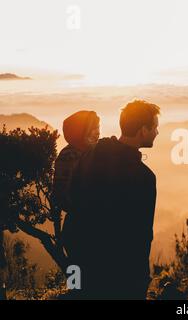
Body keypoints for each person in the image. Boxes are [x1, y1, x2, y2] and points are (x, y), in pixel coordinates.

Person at [69, 100, 160, 299]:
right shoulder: (143, 177)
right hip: (122, 276)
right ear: (143, 130)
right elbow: (142, 236)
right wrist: (141, 281)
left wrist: (73, 274)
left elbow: (73, 203)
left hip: (83, 263)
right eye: (155, 127)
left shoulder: (89, 155)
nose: (157, 132)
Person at [53, 111, 100, 258]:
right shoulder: (70, 156)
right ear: (81, 131)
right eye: (94, 128)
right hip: (80, 231)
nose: (98, 132)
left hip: (90, 228)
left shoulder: (91, 154)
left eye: (99, 127)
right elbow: (63, 196)